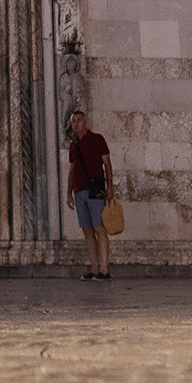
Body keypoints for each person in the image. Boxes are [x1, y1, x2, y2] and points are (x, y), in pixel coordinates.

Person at [66, 109, 115, 281]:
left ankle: (104, 268)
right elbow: (72, 171)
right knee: (87, 230)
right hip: (79, 192)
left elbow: (107, 164)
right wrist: (68, 193)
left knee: (99, 228)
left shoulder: (97, 139)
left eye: (79, 120)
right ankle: (94, 268)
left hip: (95, 190)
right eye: (73, 121)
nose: (76, 124)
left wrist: (110, 187)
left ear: (85, 122)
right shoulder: (73, 146)